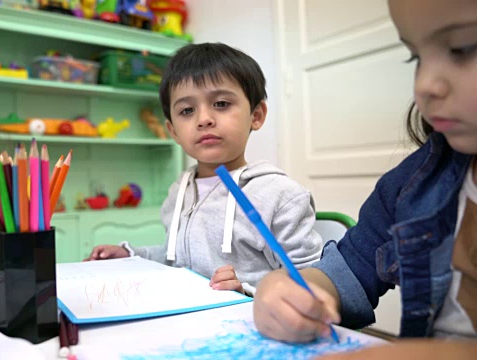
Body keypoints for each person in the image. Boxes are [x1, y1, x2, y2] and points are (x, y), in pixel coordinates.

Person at [253, 0, 477, 357]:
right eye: (415, 57)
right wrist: (289, 291)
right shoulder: (408, 187)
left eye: (463, 47)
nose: (425, 86)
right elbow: (347, 272)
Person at [85, 43, 322, 296]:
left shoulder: (280, 196)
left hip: (253, 325)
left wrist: (247, 291)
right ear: (173, 130)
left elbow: (313, 280)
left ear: (256, 115)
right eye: (187, 110)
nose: (204, 119)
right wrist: (131, 255)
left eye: (221, 103)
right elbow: (176, 258)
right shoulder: (179, 191)